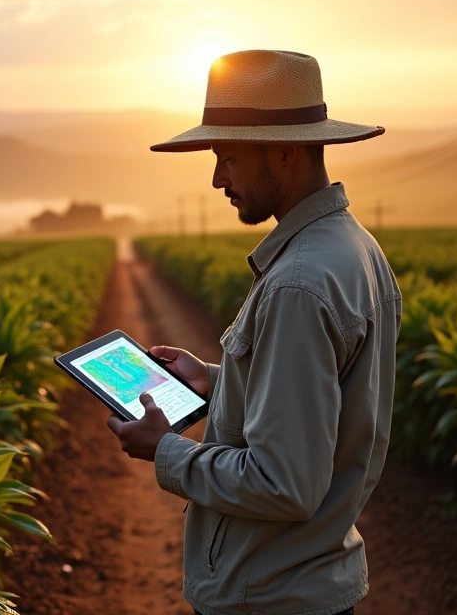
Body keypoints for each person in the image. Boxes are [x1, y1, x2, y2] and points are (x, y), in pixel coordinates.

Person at [107, 50, 402, 615]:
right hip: (308, 578)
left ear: (286, 152)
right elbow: (321, 402)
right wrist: (218, 381)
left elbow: (282, 483)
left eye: (229, 158)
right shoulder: (355, 247)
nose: (218, 179)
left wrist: (164, 450)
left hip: (267, 594)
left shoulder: (298, 282)